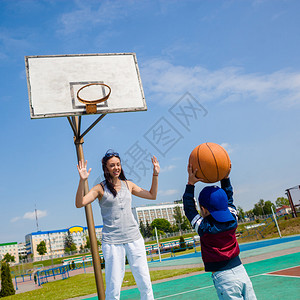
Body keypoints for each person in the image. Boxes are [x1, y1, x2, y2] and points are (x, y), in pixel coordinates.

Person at [76, 150, 160, 300]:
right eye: (112, 165)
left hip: (134, 239)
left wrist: (155, 174)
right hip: (112, 242)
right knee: (113, 288)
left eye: (118, 164)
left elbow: (152, 195)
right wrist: (82, 180)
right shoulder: (99, 188)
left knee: (145, 283)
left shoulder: (129, 185)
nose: (116, 168)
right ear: (106, 168)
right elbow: (79, 203)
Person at [183, 164, 257, 300]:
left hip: (224, 278)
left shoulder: (205, 228)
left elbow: (189, 210)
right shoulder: (233, 219)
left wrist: (190, 184)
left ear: (204, 209)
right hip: (241, 271)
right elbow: (229, 199)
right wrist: (225, 178)